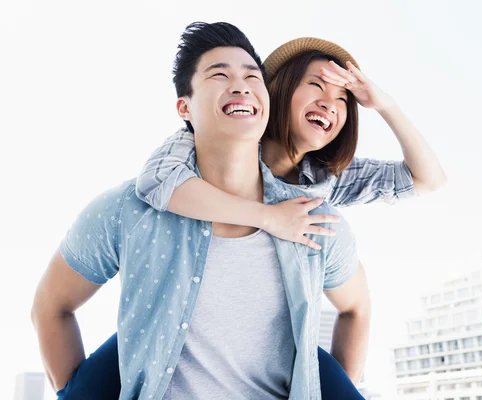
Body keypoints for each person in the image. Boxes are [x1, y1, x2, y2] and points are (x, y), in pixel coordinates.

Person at [31, 21, 370, 400]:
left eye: (252, 76)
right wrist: (75, 391)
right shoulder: (126, 210)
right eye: (219, 74)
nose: (240, 85)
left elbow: (356, 309)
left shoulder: (313, 220)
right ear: (184, 107)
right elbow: (51, 305)